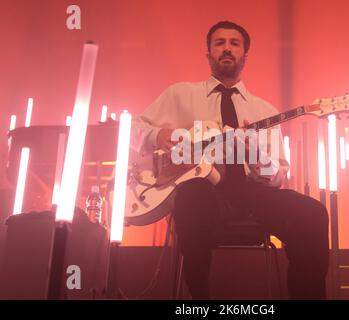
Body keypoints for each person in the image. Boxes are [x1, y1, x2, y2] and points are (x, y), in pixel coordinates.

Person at [131, 21, 329, 299]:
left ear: (244, 56)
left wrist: (254, 155)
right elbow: (133, 127)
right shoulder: (180, 94)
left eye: (234, 43)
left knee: (313, 213)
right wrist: (158, 134)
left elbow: (278, 176)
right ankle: (200, 301)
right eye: (219, 42)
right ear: (208, 54)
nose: (227, 48)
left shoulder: (264, 110)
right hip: (203, 198)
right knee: (193, 194)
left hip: (253, 196)